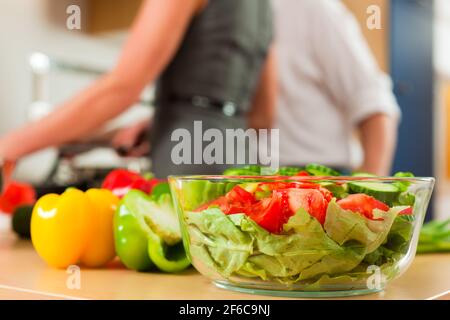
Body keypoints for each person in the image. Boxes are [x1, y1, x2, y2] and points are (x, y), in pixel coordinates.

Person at [0, 0, 275, 177]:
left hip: (185, 171)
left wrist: (9, 146)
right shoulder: (265, 9)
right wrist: (161, 123)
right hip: (240, 163)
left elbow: (122, 87)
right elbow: (263, 116)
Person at [273, 0, 400, 175]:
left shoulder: (313, 9)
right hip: (252, 175)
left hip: (323, 176)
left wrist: (370, 194)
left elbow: (375, 106)